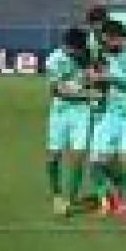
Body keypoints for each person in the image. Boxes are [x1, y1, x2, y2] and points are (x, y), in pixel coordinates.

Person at [86, 20, 126, 223]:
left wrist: (110, 78)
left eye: (107, 41)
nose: (105, 45)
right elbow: (101, 81)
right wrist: (94, 82)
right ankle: (120, 196)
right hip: (110, 113)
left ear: (117, 38)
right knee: (98, 161)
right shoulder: (105, 54)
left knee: (125, 158)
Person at [45, 27, 97, 216]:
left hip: (82, 113)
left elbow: (96, 79)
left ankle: (69, 198)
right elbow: (56, 90)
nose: (74, 53)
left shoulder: (90, 56)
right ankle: (57, 194)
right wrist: (87, 94)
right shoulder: (54, 60)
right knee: (53, 155)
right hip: (60, 112)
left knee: (78, 155)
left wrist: (94, 85)